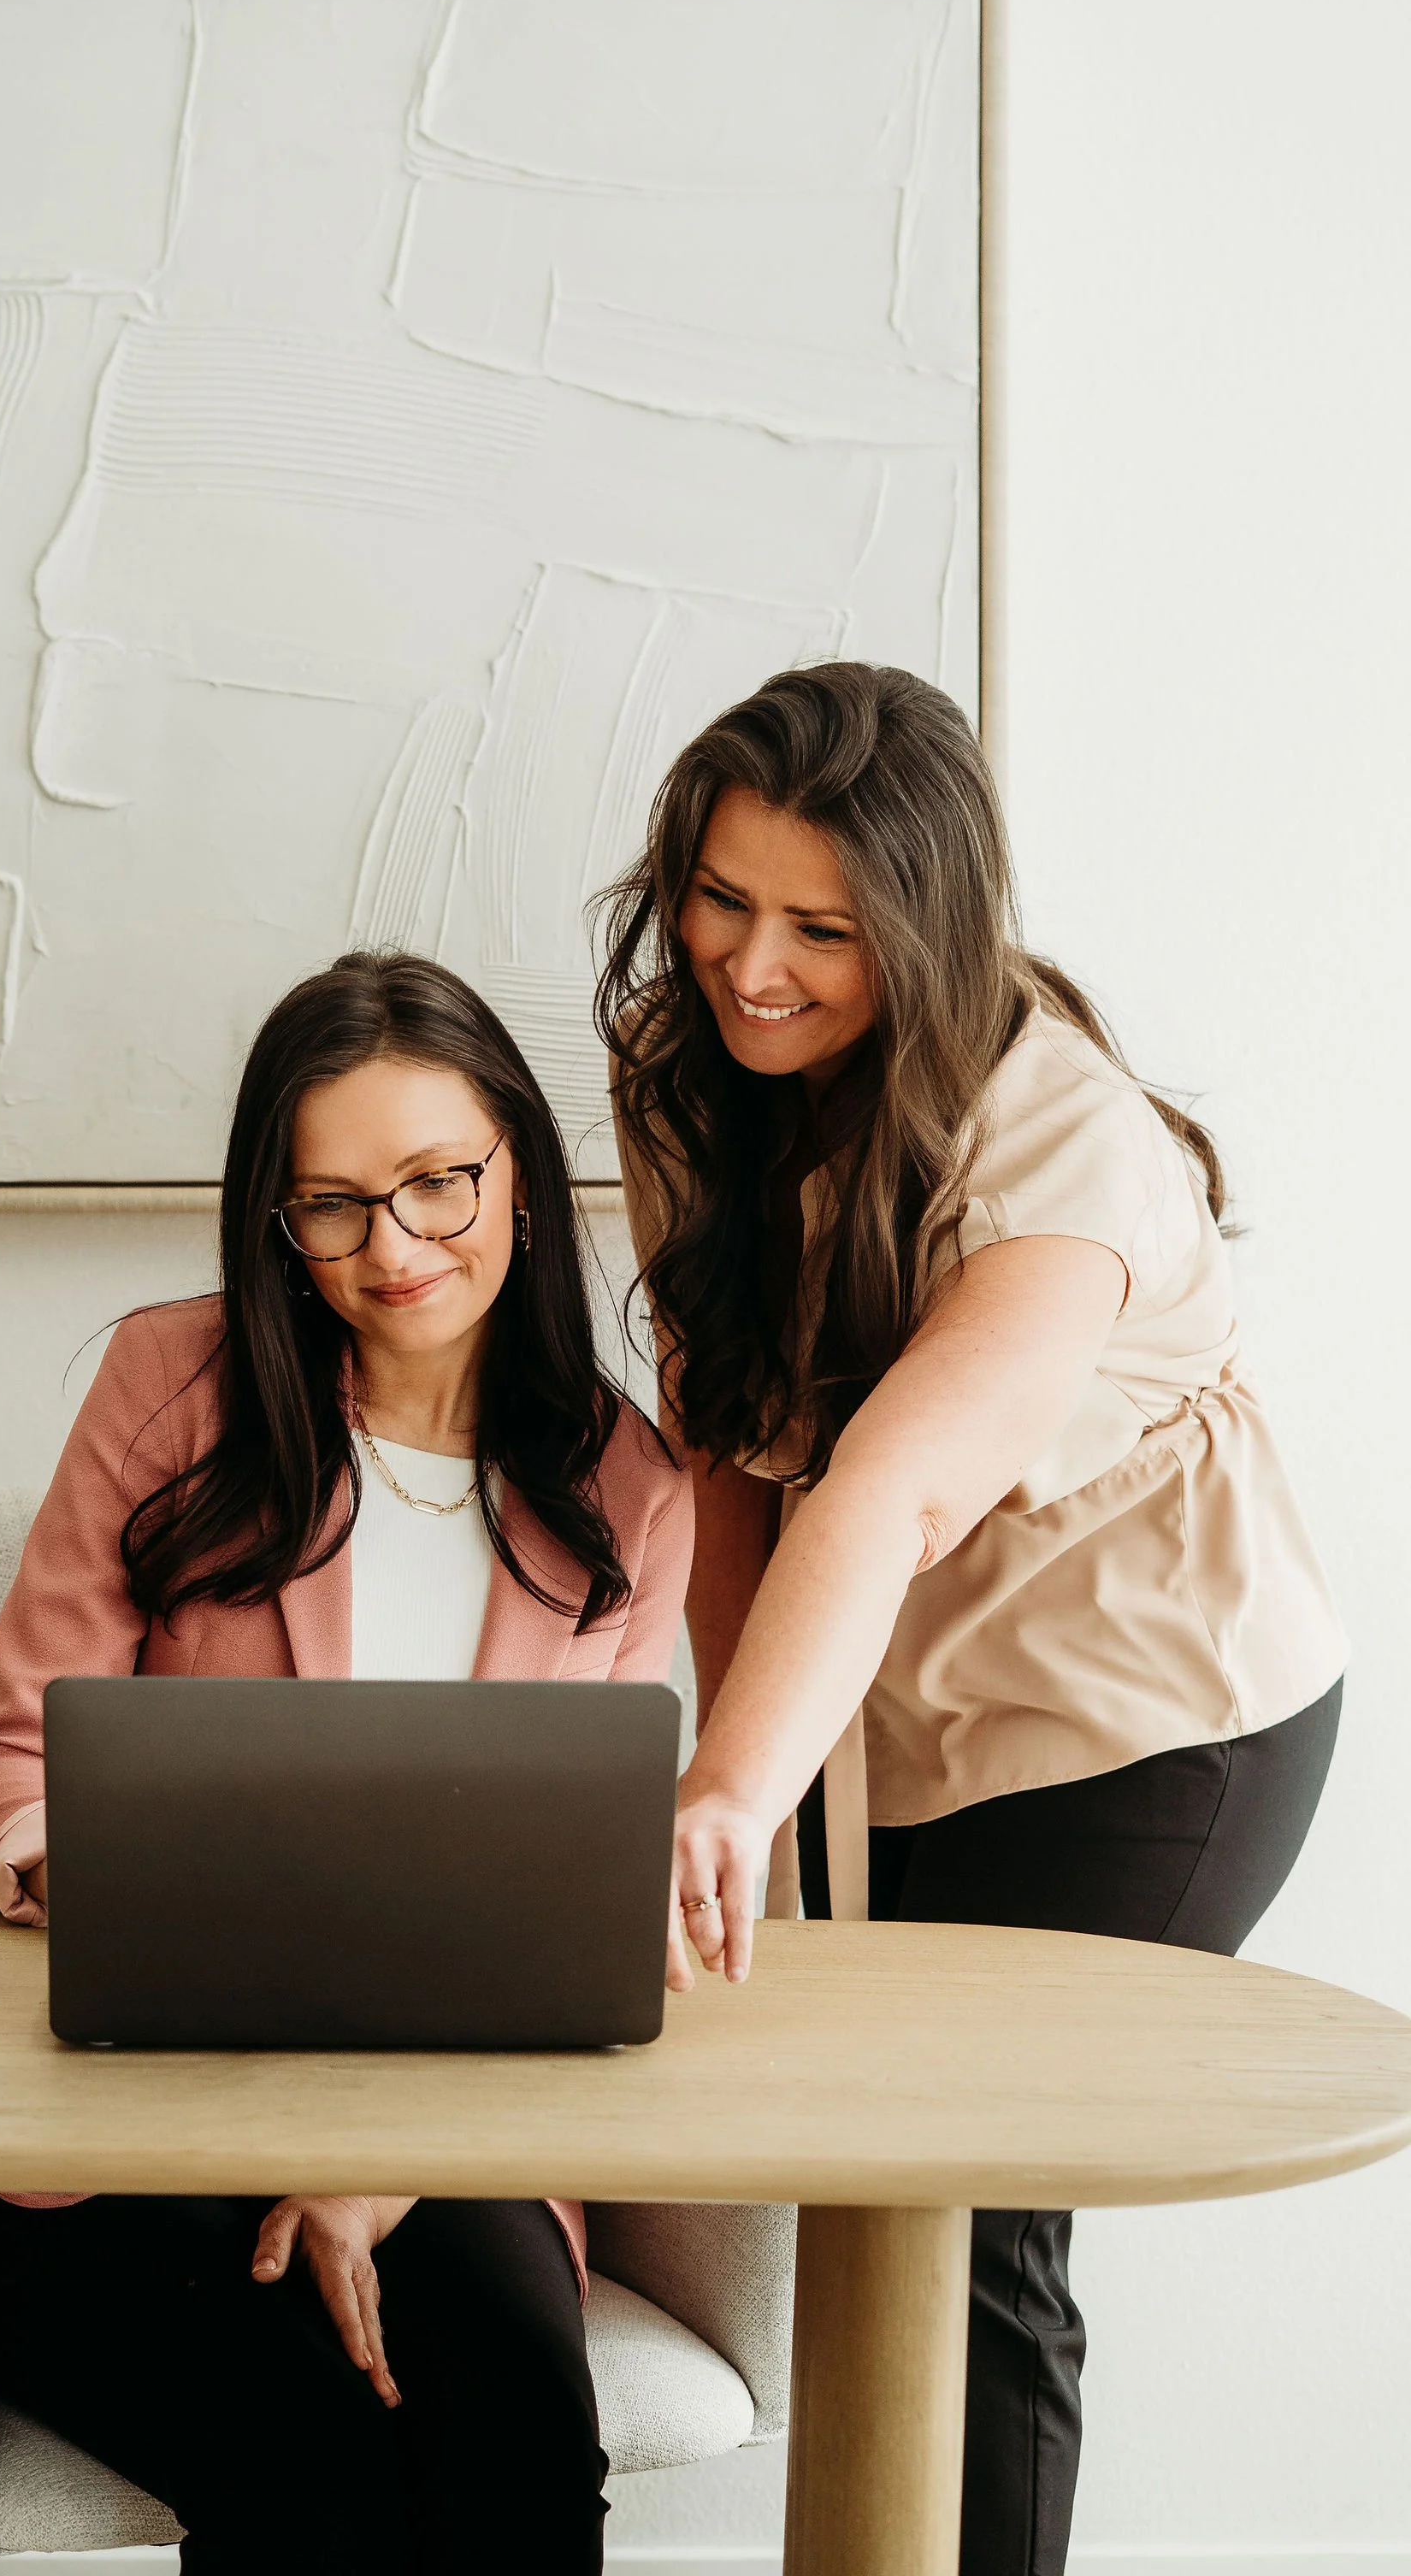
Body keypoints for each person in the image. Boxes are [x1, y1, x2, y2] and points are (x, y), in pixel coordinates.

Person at [597, 662, 1345, 2576]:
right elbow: (738, 1475)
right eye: (720, 897)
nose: (752, 965)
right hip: (889, 1717)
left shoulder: (1061, 1142)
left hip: (1147, 1727)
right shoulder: (699, 1078)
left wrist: (740, 1782)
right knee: (868, 2198)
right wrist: (729, 1791)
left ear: (922, 932)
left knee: (977, 2223)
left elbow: (891, 1489)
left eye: (821, 930)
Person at [0, 952, 691, 2576]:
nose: (394, 1248)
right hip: (140, 2138)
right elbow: (5, 1758)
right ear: (277, 1220)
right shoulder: (175, 1388)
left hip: (457, 2137)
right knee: (315, 2467)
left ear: (523, 1175)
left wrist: (379, 2165)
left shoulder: (626, 1488)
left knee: (516, 2457)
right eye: (332, 1206)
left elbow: (578, 1916)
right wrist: (78, 1861)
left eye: (438, 1184)